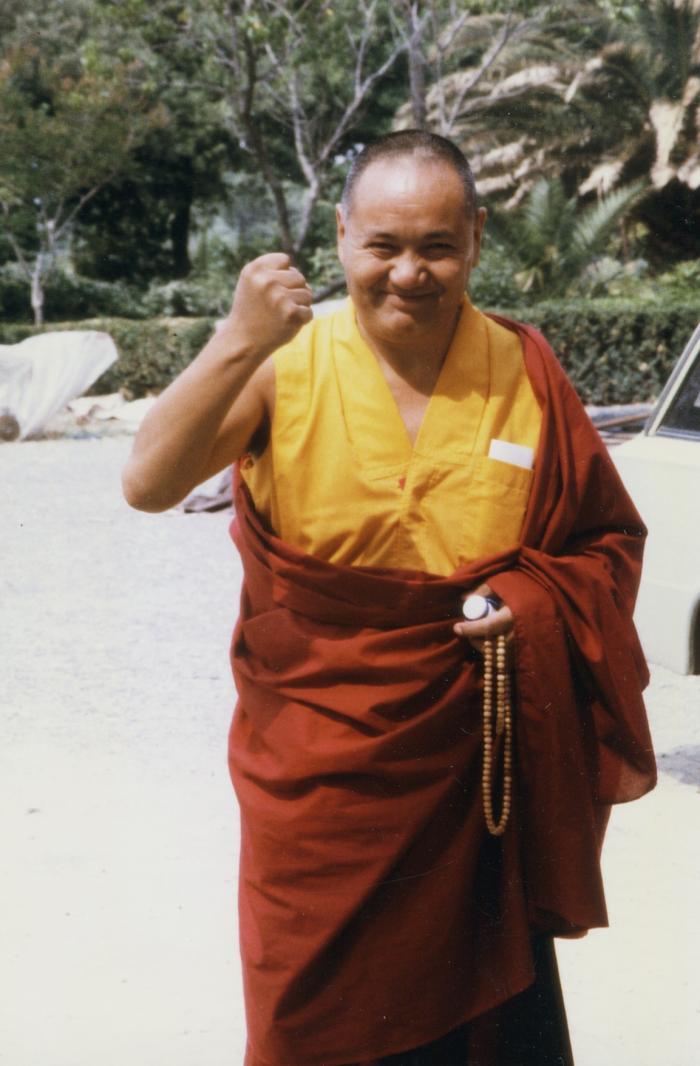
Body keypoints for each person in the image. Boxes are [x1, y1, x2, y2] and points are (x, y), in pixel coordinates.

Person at [123, 131, 656, 1066]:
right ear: (340, 239)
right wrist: (239, 336)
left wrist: (527, 601)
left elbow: (605, 541)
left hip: (475, 773)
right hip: (321, 776)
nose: (409, 273)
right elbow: (147, 482)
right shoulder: (285, 361)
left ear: (477, 240)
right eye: (382, 246)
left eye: (437, 247)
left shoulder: (526, 371)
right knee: (315, 1023)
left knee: (483, 1027)